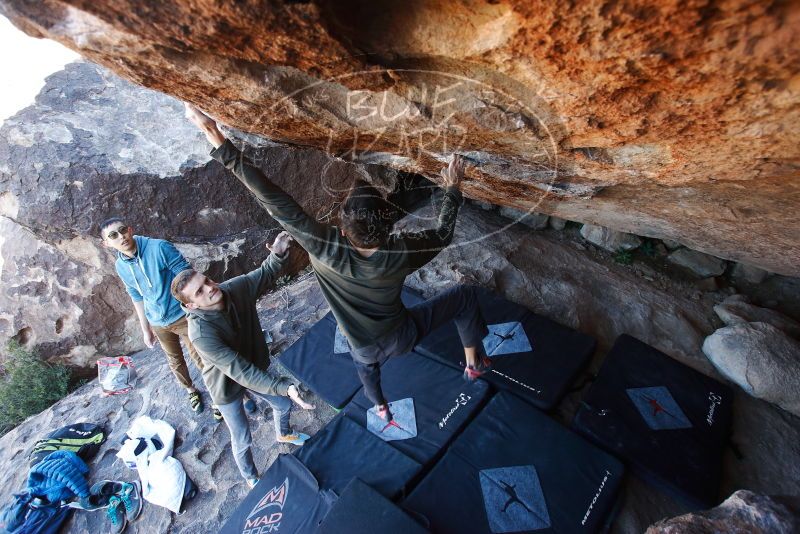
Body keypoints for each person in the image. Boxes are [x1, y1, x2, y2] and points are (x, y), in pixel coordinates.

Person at [185, 104, 490, 422]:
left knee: (366, 369)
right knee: (464, 297)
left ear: (343, 228)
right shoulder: (401, 253)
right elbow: (442, 234)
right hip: (402, 336)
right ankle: (472, 362)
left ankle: (380, 405)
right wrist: (452, 188)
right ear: (389, 225)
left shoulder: (323, 245)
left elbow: (272, 198)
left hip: (363, 349)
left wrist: (215, 135)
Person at [170, 231, 314, 487]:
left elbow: (263, 275)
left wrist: (278, 253)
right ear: (191, 306)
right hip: (226, 386)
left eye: (208, 281)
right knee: (242, 437)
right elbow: (239, 371)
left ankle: (284, 434)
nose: (211, 288)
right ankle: (251, 477)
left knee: (282, 405)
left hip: (251, 367)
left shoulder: (230, 290)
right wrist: (282, 384)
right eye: (200, 292)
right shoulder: (200, 333)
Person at [100, 218, 213, 417]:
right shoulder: (121, 265)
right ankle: (191, 390)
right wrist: (146, 329)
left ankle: (219, 398)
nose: (121, 237)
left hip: (182, 315)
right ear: (107, 243)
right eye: (113, 235)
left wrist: (199, 307)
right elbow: (136, 295)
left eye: (123, 230)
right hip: (158, 321)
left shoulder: (159, 247)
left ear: (130, 229)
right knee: (174, 360)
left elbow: (187, 275)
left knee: (202, 357)